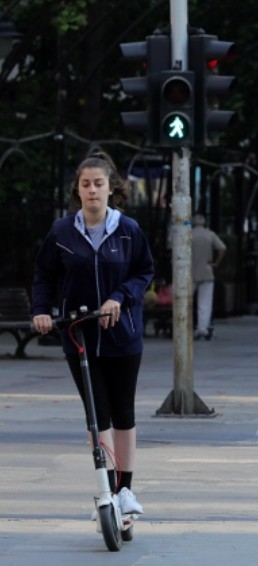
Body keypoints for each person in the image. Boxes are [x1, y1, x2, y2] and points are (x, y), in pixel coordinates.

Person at [31, 150, 155, 518]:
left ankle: (125, 490)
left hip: (123, 336)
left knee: (123, 412)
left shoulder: (128, 230)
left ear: (110, 188)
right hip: (79, 337)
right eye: (85, 184)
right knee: (96, 415)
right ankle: (106, 487)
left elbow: (144, 272)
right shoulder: (62, 232)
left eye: (98, 184)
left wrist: (120, 297)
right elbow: (44, 275)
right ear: (78, 190)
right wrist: (41, 310)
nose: (92, 190)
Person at [191, 213, 226, 340]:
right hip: (206, 271)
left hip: (189, 272)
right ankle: (202, 329)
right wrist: (215, 263)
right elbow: (222, 248)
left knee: (185, 301)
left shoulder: (187, 235)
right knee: (205, 303)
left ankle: (183, 326)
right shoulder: (210, 234)